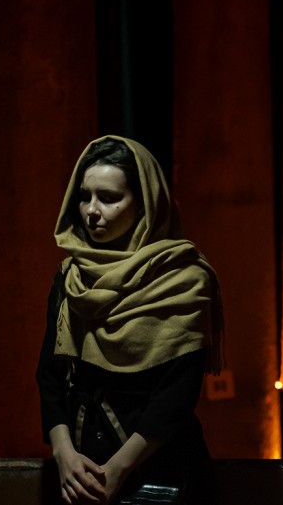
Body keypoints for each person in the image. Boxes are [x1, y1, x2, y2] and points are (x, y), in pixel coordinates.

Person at [37, 136, 222, 504]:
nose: (91, 210)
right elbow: (50, 373)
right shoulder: (71, 277)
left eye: (108, 198)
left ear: (144, 205)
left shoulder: (184, 279)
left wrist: (118, 469)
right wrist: (63, 454)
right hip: (78, 474)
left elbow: (177, 394)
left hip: (161, 473)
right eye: (84, 195)